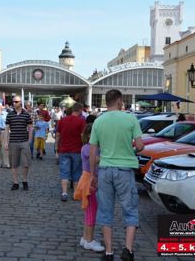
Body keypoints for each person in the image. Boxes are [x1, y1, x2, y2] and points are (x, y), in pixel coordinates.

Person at [89, 89, 144, 261]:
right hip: (125, 170)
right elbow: (141, 146)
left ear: (107, 102)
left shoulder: (98, 121)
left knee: (105, 211)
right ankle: (128, 250)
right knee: (130, 210)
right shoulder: (130, 118)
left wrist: (92, 175)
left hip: (105, 170)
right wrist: (131, 148)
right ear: (119, 101)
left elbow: (92, 151)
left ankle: (109, 252)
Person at [74, 123, 104, 252]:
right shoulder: (88, 148)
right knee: (91, 211)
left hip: (89, 180)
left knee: (90, 211)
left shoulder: (90, 147)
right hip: (88, 181)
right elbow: (98, 160)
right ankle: (89, 240)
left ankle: (85, 238)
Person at [56, 102, 86, 202]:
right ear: (80, 110)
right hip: (77, 150)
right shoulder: (82, 121)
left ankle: (64, 193)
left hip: (64, 150)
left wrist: (57, 147)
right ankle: (75, 194)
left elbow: (58, 135)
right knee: (76, 172)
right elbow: (82, 136)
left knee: (64, 171)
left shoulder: (62, 120)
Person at [5, 95, 33, 191]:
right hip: (13, 141)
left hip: (24, 141)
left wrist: (29, 140)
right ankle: (15, 182)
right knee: (14, 163)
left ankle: (25, 181)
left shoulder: (26, 114)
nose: (14, 103)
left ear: (21, 102)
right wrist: (5, 141)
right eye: (13, 101)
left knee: (26, 163)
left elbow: (30, 127)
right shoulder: (9, 114)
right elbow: (7, 129)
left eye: (16, 101)